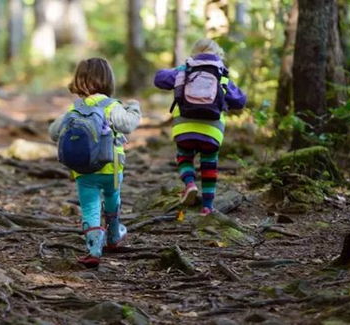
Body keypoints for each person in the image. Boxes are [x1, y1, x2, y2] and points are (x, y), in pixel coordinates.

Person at [49, 58, 141, 266]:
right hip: (112, 167)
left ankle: (93, 249)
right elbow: (127, 125)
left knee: (90, 207)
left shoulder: (75, 109)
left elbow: (53, 133)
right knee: (112, 199)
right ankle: (114, 236)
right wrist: (134, 107)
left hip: (84, 171)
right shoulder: (111, 106)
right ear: (108, 80)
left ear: (79, 81)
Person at [154, 39, 246, 216]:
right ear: (218, 55)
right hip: (212, 129)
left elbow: (159, 79)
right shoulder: (222, 74)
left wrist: (179, 73)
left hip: (184, 127)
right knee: (209, 164)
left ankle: (189, 184)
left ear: (194, 53)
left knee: (184, 158)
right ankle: (207, 206)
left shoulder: (185, 69)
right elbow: (240, 101)